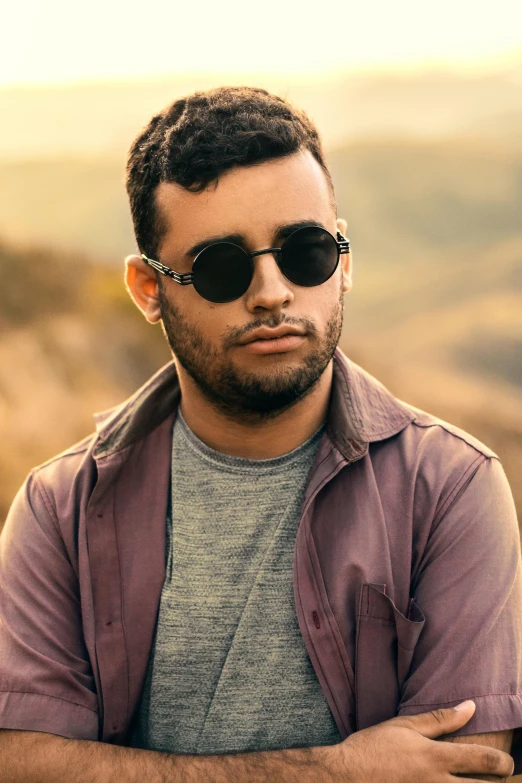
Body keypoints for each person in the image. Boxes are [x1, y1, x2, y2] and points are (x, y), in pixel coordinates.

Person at [0, 86, 520, 782]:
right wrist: (335, 771)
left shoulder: (452, 488)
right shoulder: (59, 507)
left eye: (306, 252)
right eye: (222, 266)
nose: (273, 291)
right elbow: (24, 761)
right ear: (149, 290)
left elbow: (463, 768)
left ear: (346, 259)